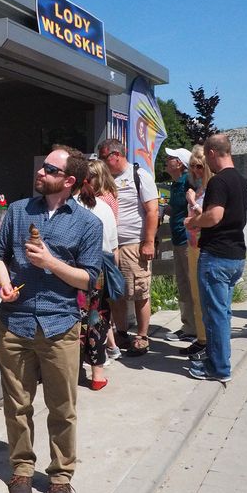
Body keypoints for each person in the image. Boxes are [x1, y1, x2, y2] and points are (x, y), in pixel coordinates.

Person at [0, 146, 103, 493]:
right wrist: (3, 284)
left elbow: (88, 279)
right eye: (41, 166)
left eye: (50, 169)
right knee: (16, 405)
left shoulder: (88, 224)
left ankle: (60, 477)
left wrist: (50, 262)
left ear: (69, 181)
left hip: (60, 325)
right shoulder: (19, 211)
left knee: (62, 407)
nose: (40, 172)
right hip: (15, 323)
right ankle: (21, 469)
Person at [184, 134, 247, 382]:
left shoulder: (219, 182)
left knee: (214, 314)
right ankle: (217, 359)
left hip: (217, 256)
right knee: (223, 312)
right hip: (235, 255)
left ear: (212, 153)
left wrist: (192, 221)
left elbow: (215, 217)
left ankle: (218, 368)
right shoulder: (241, 182)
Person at [97, 139, 159, 356]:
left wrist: (149, 242)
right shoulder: (105, 178)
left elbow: (152, 211)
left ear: (116, 155)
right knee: (117, 293)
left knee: (140, 291)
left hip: (134, 243)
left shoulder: (140, 176)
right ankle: (122, 332)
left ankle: (142, 336)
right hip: (111, 245)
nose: (102, 162)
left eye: (104, 157)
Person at [73, 165, 119, 390]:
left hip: (72, 269)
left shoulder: (67, 206)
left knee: (72, 318)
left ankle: (68, 369)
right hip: (99, 269)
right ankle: (97, 375)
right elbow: (113, 248)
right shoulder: (104, 207)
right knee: (97, 319)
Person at [181, 145, 213, 357]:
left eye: (199, 166)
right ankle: (202, 338)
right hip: (193, 246)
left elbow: (208, 216)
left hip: (204, 247)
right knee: (195, 294)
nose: (195, 171)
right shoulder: (200, 187)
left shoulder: (212, 188)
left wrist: (192, 201)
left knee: (204, 296)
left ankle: (207, 341)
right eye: (192, 166)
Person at [88, 159, 121, 361]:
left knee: (96, 310)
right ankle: (110, 346)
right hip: (107, 254)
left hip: (100, 255)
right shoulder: (109, 197)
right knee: (100, 309)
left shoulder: (101, 201)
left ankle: (103, 351)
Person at [162, 148, 196, 343]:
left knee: (190, 285)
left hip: (186, 241)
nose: (166, 160)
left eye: (170, 158)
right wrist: (166, 209)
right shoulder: (176, 184)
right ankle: (188, 326)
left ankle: (195, 329)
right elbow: (177, 207)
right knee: (183, 285)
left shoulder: (187, 182)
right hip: (177, 240)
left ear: (180, 163)